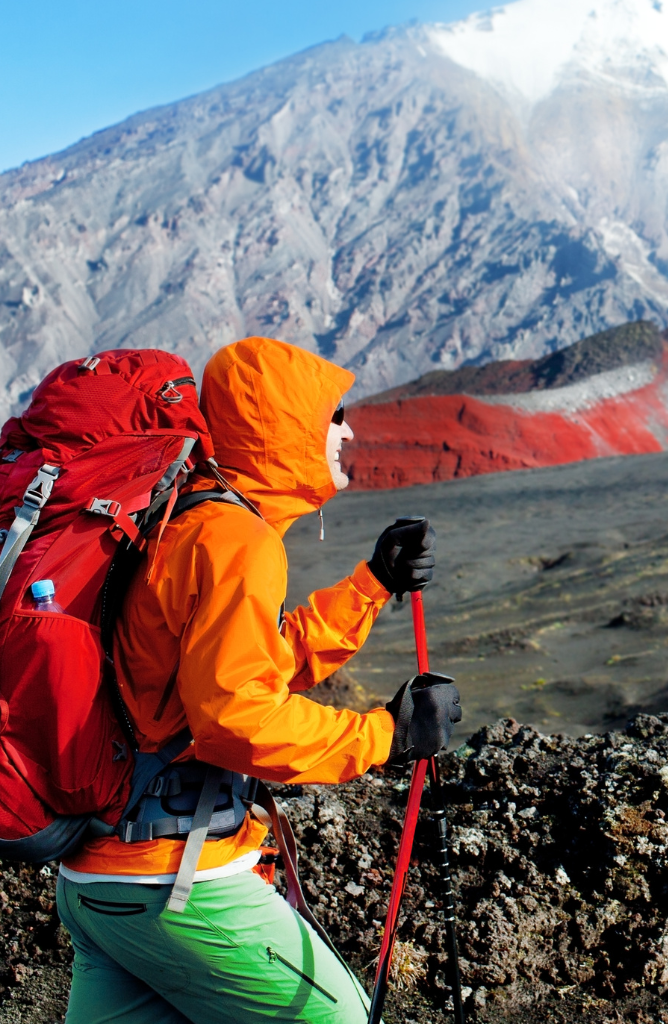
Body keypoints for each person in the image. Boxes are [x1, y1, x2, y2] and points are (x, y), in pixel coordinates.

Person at [51, 336, 461, 1024]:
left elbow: (250, 662)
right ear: (285, 429)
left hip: (97, 883)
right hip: (176, 884)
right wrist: (386, 734)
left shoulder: (189, 518)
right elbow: (237, 718)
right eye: (332, 416)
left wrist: (369, 586)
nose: (347, 430)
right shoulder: (234, 541)